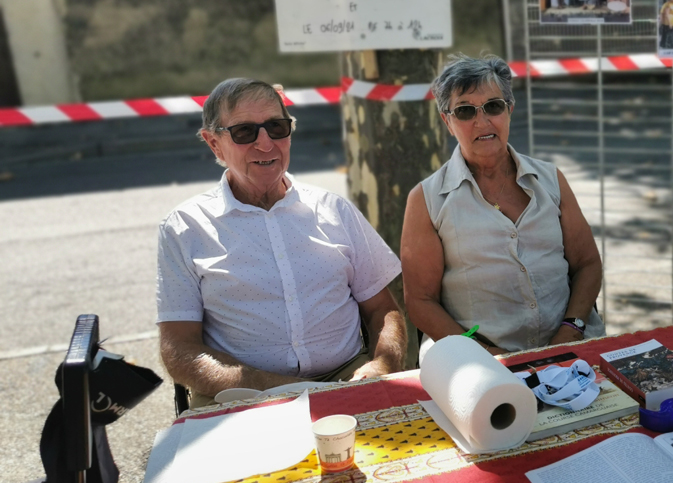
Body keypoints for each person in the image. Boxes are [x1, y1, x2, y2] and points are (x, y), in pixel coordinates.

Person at [157, 78, 407, 408]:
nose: (266, 144)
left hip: (347, 379)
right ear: (214, 143)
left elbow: (384, 309)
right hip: (242, 393)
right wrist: (268, 386)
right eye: (245, 132)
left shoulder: (334, 210)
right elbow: (178, 348)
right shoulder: (185, 227)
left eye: (277, 127)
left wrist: (383, 365)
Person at [402, 55, 605, 359]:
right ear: (448, 121)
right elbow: (420, 300)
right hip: (480, 360)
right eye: (465, 111)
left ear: (509, 109)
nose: (482, 122)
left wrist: (569, 330)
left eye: (493, 107)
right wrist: (486, 354)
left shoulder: (550, 179)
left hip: (572, 343)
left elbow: (587, 264)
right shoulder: (428, 199)